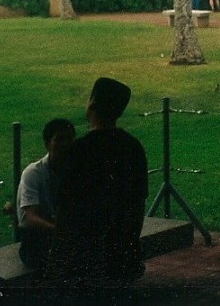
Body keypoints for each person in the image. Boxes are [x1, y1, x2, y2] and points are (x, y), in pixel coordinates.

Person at [50, 77, 148, 291]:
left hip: (84, 258)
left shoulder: (78, 151)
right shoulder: (133, 147)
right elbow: (138, 205)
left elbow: (64, 212)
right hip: (121, 252)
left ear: (92, 103)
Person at [17, 118, 76, 270]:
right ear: (47, 144)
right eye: (59, 140)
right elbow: (30, 218)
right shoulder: (33, 173)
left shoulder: (75, 171)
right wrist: (60, 231)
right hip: (37, 240)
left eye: (69, 139)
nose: (65, 145)